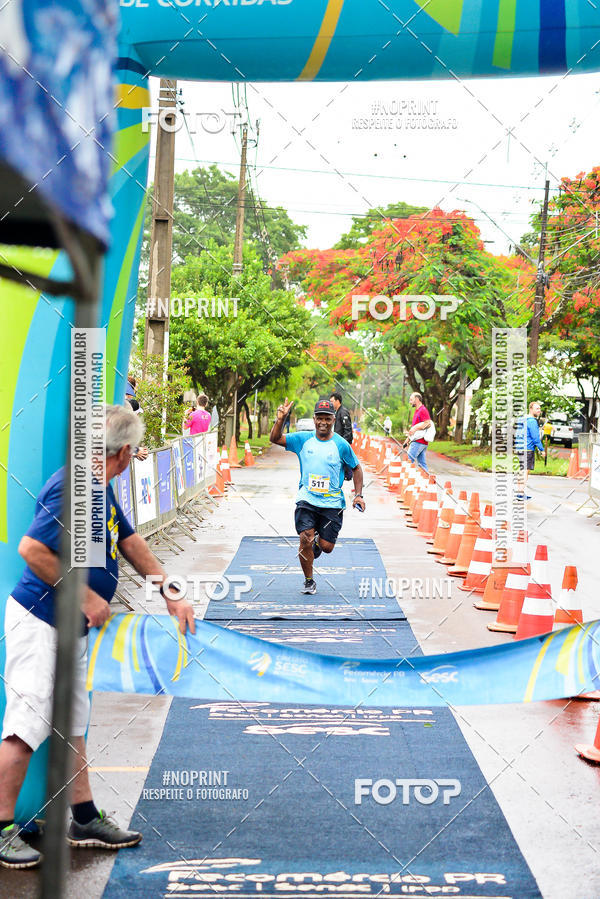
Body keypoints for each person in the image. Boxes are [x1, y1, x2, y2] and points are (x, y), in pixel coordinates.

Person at [0, 404, 195, 869]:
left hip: (70, 628)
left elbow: (129, 541)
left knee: (72, 724)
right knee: (26, 724)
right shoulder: (74, 486)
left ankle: (84, 819)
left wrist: (169, 591)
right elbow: (32, 549)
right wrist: (85, 595)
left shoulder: (97, 486)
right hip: (40, 622)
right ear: (125, 452)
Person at [270, 397, 365, 595]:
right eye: (319, 418)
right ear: (314, 419)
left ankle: (318, 543)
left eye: (327, 419)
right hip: (307, 498)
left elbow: (356, 468)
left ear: (333, 420)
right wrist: (281, 419)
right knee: (305, 538)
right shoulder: (303, 439)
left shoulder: (341, 444)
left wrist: (359, 495)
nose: (323, 422)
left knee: (327, 546)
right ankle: (309, 580)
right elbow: (275, 439)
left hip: (332, 503)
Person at [515, 401, 544, 499]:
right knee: (525, 471)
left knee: (522, 470)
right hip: (527, 449)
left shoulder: (522, 419)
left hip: (520, 448)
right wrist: (542, 449)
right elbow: (535, 438)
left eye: (539, 408)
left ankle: (520, 492)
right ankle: (520, 493)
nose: (539, 410)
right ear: (531, 409)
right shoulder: (532, 421)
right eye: (537, 408)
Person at [405, 392, 433, 472]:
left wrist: (415, 429)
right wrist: (407, 440)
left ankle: (406, 478)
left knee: (408, 461)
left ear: (417, 399)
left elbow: (428, 423)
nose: (410, 402)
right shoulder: (417, 410)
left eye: (411, 400)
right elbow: (414, 427)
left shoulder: (422, 410)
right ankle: (426, 479)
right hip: (420, 442)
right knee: (422, 464)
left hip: (418, 442)